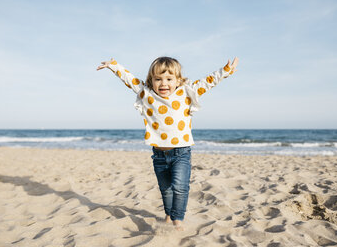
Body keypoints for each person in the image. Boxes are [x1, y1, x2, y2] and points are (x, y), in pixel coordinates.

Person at [97, 56, 238, 230]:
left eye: (169, 79)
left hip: (181, 152)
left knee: (179, 187)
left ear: (178, 80)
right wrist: (114, 66)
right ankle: (169, 215)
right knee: (165, 189)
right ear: (151, 81)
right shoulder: (147, 93)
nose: (164, 84)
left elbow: (207, 82)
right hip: (159, 155)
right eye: (158, 79)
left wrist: (225, 71)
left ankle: (177, 219)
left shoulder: (186, 92)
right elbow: (129, 79)